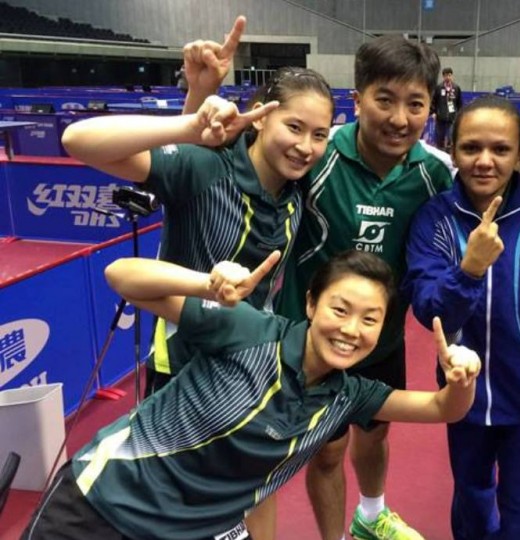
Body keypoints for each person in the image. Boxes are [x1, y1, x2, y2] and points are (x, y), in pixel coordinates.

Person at [185, 28, 454, 538]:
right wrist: (202, 105)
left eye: (415, 104)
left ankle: (371, 515)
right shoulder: (317, 155)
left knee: (374, 436)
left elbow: (483, 196)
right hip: (311, 338)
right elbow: (229, 159)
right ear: (358, 100)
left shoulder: (435, 174)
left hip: (382, 336)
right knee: (325, 450)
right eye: (385, 100)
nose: (399, 118)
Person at [22, 250, 481, 540]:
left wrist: (462, 380)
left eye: (369, 319)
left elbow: (442, 409)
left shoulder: (350, 394)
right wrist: (206, 284)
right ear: (310, 304)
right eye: (340, 309)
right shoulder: (247, 329)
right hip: (99, 506)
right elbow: (120, 275)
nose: (350, 330)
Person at [62, 64, 335, 398]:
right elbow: (76, 140)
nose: (306, 146)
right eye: (294, 127)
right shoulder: (205, 168)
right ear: (261, 117)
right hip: (181, 365)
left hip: (248, 363)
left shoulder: (298, 186)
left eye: (319, 135)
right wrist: (189, 126)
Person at [404, 96, 520, 539]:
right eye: (471, 148)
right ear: (452, 149)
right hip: (463, 398)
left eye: (500, 149)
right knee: (473, 501)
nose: (484, 161)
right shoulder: (434, 220)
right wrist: (470, 269)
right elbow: (430, 310)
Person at [431, 67, 463, 151]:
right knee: (439, 139)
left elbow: (459, 103)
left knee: (450, 138)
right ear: (443, 76)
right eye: (446, 75)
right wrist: (433, 112)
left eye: (449, 75)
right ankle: (439, 155)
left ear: (452, 76)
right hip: (440, 117)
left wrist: (459, 114)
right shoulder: (439, 88)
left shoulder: (456, 88)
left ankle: (448, 156)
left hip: (452, 118)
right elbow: (433, 101)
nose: (448, 77)